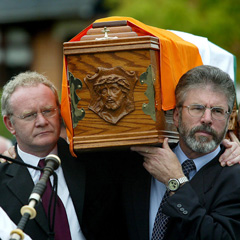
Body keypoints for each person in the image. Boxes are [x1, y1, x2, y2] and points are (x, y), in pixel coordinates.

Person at [117, 65, 240, 239]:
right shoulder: (138, 163)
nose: (207, 119)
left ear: (228, 120)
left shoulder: (235, 176)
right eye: (197, 108)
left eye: (217, 111)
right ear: (176, 115)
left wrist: (176, 182)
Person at [0, 71, 119, 240]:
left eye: (48, 111)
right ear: (10, 124)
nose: (42, 121)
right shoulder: (2, 178)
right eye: (30, 115)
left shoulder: (93, 161)